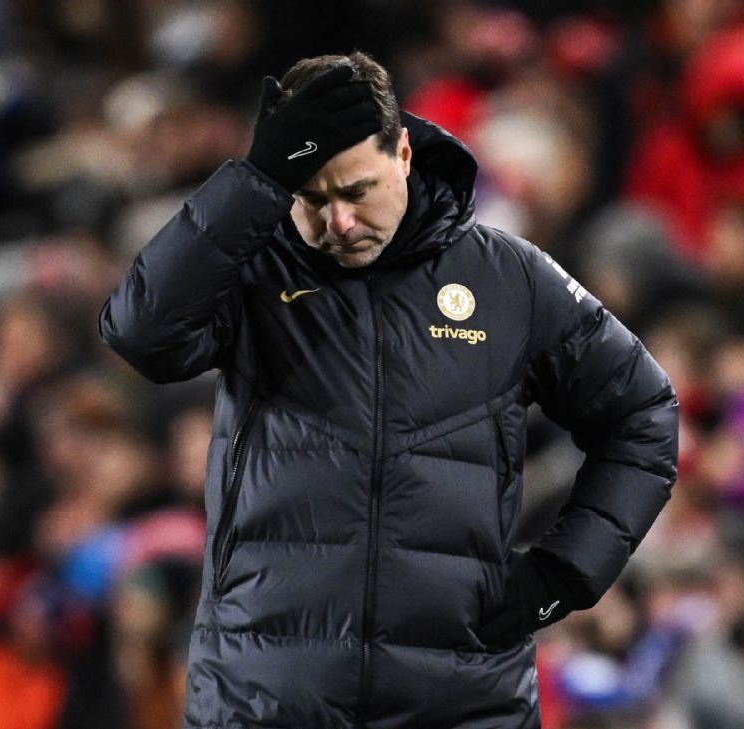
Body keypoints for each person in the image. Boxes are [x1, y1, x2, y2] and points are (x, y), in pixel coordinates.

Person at [99, 51, 678, 729]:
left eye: (357, 191)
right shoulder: (252, 268)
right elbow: (140, 334)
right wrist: (253, 181)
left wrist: (563, 575)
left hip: (460, 704)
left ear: (404, 153)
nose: (340, 222)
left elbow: (644, 416)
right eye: (313, 198)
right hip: (264, 697)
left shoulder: (509, 279)